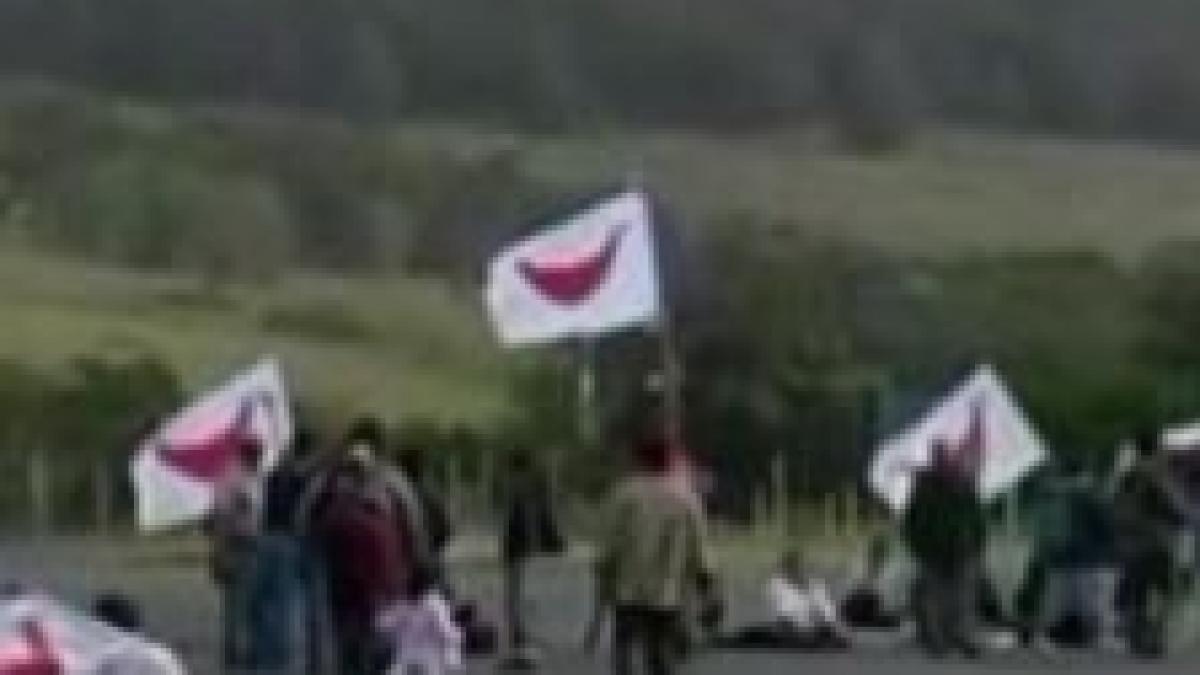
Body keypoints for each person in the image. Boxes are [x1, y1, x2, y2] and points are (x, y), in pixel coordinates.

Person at [594, 434, 715, 675]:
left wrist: (603, 579)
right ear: (669, 461)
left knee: (624, 647)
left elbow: (609, 546)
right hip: (667, 591)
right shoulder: (686, 499)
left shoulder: (623, 495)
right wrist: (709, 588)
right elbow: (699, 550)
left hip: (628, 588)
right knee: (660, 650)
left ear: (639, 460)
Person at [904, 439, 987, 658]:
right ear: (933, 459)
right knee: (935, 596)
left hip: (964, 548)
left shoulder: (965, 484)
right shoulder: (924, 487)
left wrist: (978, 540)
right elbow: (913, 521)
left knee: (964, 596)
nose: (943, 460)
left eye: (946, 455)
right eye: (938, 456)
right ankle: (937, 640)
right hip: (934, 549)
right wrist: (920, 546)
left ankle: (964, 636)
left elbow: (977, 516)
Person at [1113, 430, 1184, 658]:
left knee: (1137, 590)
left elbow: (1115, 507)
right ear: (1156, 448)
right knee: (1165, 591)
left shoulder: (1127, 475)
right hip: (1157, 541)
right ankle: (1153, 636)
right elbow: (1176, 508)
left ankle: (1137, 635)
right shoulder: (1158, 475)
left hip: (1131, 543)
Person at [499, 449, 564, 668]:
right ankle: (523, 644)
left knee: (517, 599)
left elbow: (522, 522)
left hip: (519, 550)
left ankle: (522, 648)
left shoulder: (519, 489)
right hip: (527, 550)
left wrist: (520, 546)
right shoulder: (533, 488)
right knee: (522, 598)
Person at [208, 438, 265, 669]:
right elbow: (221, 516)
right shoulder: (234, 478)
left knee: (246, 602)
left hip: (249, 545)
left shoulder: (252, 478)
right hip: (235, 545)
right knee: (236, 604)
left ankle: (244, 652)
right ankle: (233, 656)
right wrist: (220, 550)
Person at [375, 566, 463, 675]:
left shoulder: (433, 603)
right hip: (407, 655)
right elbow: (382, 625)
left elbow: (447, 632)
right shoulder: (402, 603)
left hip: (430, 655)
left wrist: (451, 655)